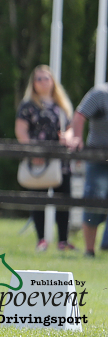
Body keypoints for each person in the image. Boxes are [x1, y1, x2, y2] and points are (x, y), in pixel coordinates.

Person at [15, 65, 76, 252]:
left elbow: (72, 126)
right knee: (39, 200)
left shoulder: (62, 104)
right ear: (33, 84)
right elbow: (21, 131)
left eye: (46, 78)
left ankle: (63, 241)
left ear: (53, 81)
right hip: (38, 159)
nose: (43, 82)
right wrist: (33, 152)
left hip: (61, 159)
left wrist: (68, 137)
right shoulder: (28, 105)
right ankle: (41, 239)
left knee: (64, 200)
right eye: (39, 79)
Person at [69, 83, 108, 257]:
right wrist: (77, 137)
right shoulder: (101, 93)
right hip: (98, 158)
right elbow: (80, 114)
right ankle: (89, 251)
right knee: (93, 201)